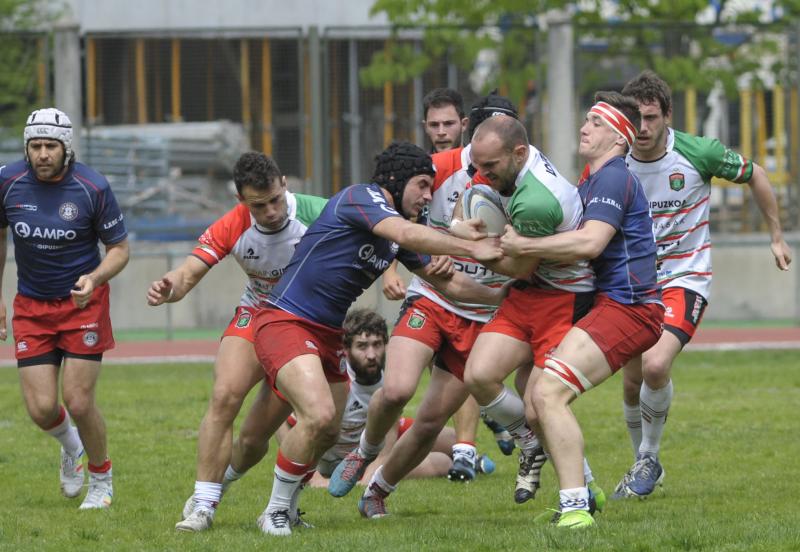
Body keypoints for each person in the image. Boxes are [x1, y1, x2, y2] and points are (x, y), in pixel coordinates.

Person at [251, 141, 504, 536]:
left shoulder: (399, 233)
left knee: (327, 429)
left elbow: (450, 282)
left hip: (325, 332)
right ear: (397, 179)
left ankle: (284, 503)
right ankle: (268, 509)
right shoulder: (363, 197)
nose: (427, 195)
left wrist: (504, 295)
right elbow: (406, 231)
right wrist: (472, 244)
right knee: (314, 416)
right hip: (286, 318)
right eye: (422, 185)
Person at [610, 71, 792, 498]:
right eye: (635, 118)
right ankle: (643, 467)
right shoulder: (612, 161)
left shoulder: (697, 152)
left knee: (657, 365)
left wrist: (777, 236)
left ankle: (648, 459)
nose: (642, 128)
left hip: (686, 279)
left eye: (651, 118)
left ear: (667, 115)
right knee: (632, 380)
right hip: (633, 283)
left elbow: (757, 174)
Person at [499, 91, 664, 528]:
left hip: (631, 308)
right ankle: (585, 490)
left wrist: (524, 245)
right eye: (585, 119)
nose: (584, 126)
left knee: (549, 392)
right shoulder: (591, 181)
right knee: (535, 401)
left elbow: (590, 244)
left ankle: (575, 509)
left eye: (594, 121)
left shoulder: (612, 177)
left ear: (617, 136)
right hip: (608, 304)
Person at [145, 152, 326, 532]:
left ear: (285, 185)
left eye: (275, 199)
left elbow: (375, 230)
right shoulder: (233, 224)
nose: (271, 211)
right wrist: (169, 286)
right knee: (225, 394)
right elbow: (189, 272)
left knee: (254, 438)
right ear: (241, 201)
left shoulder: (317, 212)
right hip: (257, 313)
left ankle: (241, 490)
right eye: (259, 205)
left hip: (303, 324)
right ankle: (204, 507)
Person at [449, 114, 601, 511]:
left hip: (564, 296)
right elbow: (467, 202)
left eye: (490, 167)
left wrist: (469, 246)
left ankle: (583, 491)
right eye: (478, 165)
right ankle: (530, 446)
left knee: (540, 404)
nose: (481, 174)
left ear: (518, 154)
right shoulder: (508, 164)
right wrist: (458, 226)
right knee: (479, 375)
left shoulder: (535, 200)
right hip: (529, 292)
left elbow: (519, 266)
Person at [0, 108, 129, 509]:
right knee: (41, 409)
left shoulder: (93, 187)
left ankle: (102, 478)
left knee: (77, 399)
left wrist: (94, 279)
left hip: (82, 305)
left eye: (50, 146)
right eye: (35, 146)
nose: (42, 154)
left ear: (66, 148)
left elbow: (120, 250)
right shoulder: (7, 182)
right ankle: (71, 448)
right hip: (32, 305)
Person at [278, 308, 494, 487]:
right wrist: (315, 478)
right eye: (362, 346)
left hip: (374, 441)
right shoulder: (335, 382)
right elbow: (286, 426)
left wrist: (371, 473)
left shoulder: (389, 382)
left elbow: (386, 447)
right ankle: (456, 463)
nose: (371, 355)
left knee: (449, 437)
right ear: (346, 349)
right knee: (440, 463)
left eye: (377, 345)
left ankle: (468, 459)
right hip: (337, 458)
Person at [422, 87, 468, 153]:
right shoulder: (419, 163)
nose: (441, 132)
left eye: (448, 124)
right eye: (434, 125)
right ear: (425, 127)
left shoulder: (480, 162)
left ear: (463, 124)